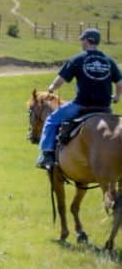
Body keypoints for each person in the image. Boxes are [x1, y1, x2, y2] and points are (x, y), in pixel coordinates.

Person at [36, 27, 121, 169]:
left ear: (88, 41)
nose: (81, 42)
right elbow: (120, 83)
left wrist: (51, 88)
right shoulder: (109, 61)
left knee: (52, 120)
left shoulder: (78, 59)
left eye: (82, 39)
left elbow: (61, 80)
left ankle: (47, 154)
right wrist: (117, 96)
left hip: (81, 105)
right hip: (105, 108)